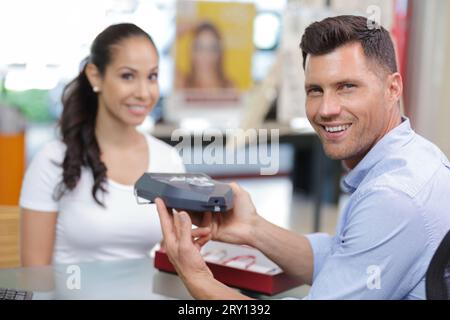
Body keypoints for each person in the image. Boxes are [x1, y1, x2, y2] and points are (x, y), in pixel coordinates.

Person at [155, 15, 450, 299]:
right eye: (315, 90)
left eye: (347, 87)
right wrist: (253, 228)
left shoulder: (393, 198)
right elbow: (343, 261)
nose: (326, 109)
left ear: (392, 88)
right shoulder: (416, 156)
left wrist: (197, 278)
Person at [19, 23, 201, 266]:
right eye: (128, 76)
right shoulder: (52, 160)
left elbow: (169, 260)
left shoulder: (168, 159)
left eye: (152, 76)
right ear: (95, 76)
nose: (144, 92)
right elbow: (35, 277)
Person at [176, 21, 235, 90]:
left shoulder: (228, 86)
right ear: (192, 52)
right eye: (200, 47)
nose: (205, 55)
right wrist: (194, 24)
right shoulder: (181, 82)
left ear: (219, 53)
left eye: (212, 48)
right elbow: (164, 43)